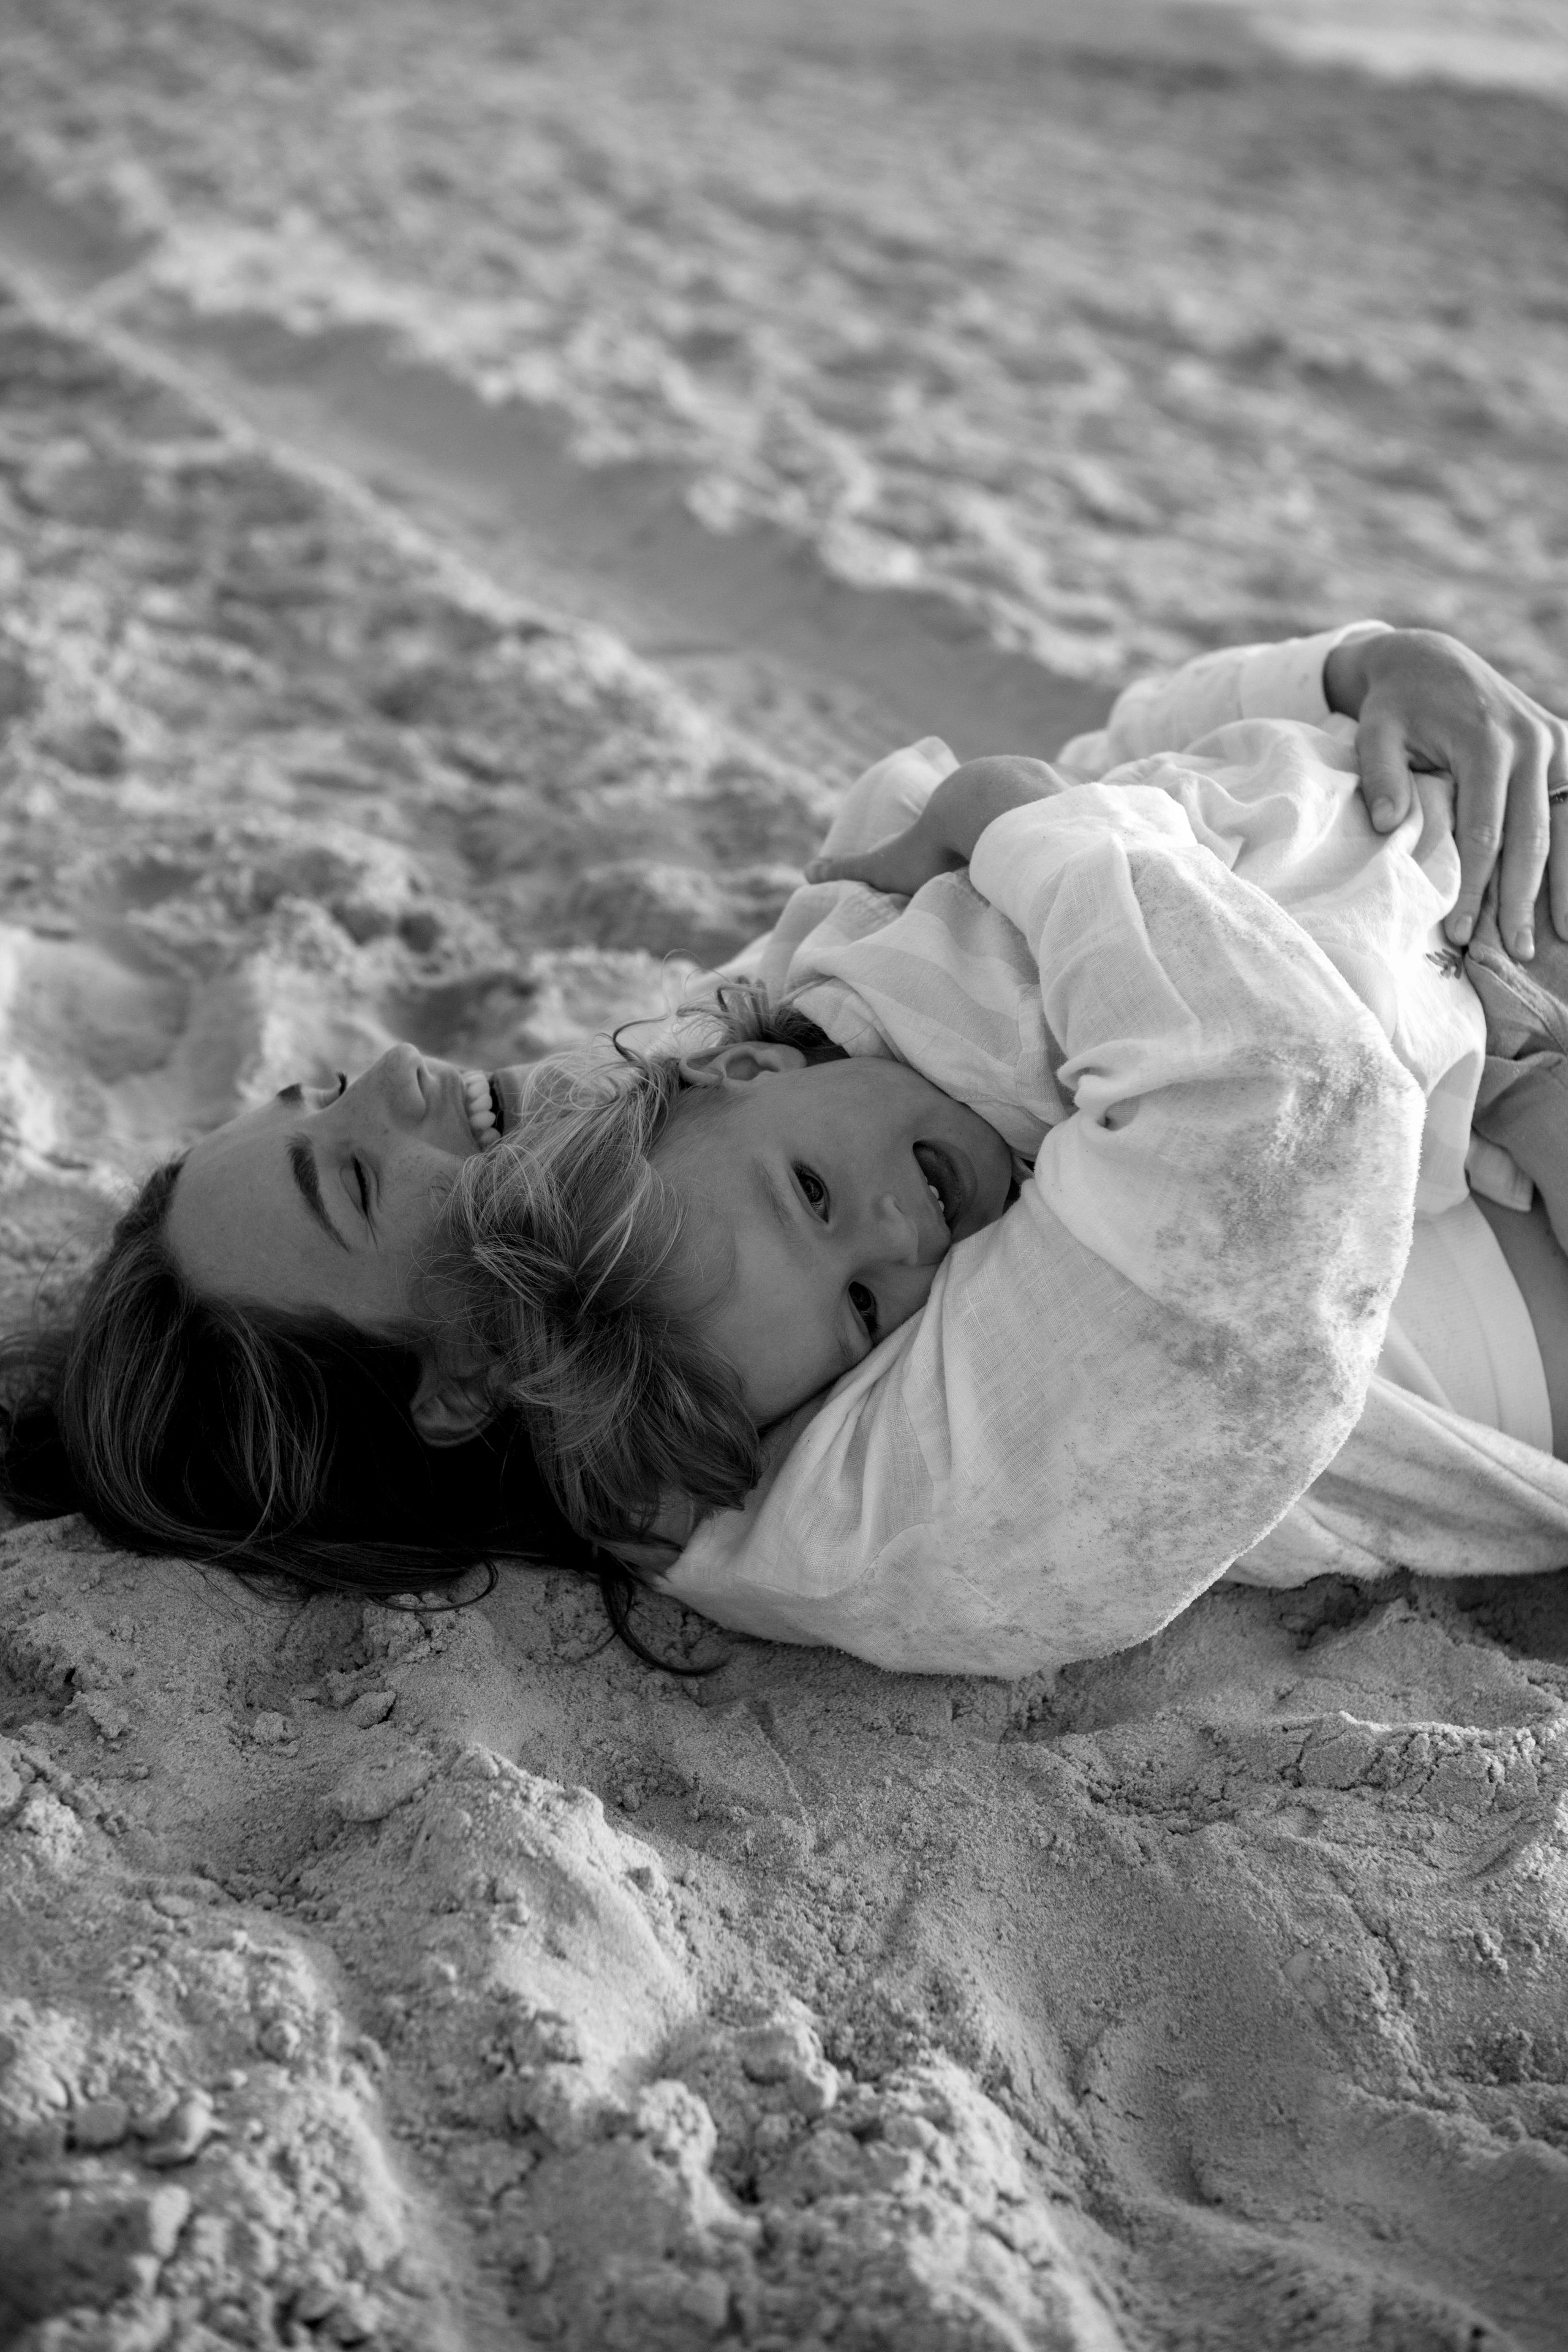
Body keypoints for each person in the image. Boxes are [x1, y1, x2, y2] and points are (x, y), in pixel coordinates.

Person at [0, 622, 1561, 1643]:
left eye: (328, 1084)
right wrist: (1014, 811)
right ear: (461, 1381)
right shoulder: (818, 1496)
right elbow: (1273, 1108)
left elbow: (1079, 814)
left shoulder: (647, 1136)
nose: (404, 1068)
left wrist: (1361, 673)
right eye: (352, 1174)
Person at [448, 626, 1568, 1676]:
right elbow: (1288, 1090)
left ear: (748, 1068)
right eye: (865, 1310)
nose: (901, 1235)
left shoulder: (871, 948)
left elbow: (1116, 781)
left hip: (1440, 853)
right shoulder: (1001, 1201)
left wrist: (1360, 668)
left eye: (813, 1194)